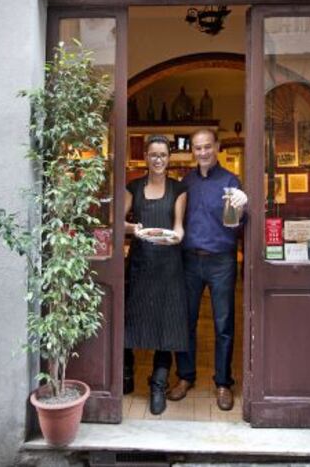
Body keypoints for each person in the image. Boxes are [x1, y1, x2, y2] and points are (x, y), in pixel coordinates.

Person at [168, 129, 247, 411]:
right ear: (193, 151)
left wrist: (242, 204)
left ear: (217, 147)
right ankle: (185, 377)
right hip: (189, 260)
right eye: (198, 148)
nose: (202, 152)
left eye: (207, 147)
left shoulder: (230, 182)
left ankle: (223, 383)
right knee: (185, 321)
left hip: (221, 261)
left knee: (223, 324)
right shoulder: (186, 182)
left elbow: (238, 223)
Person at [124, 135, 188, 415]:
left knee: (168, 325)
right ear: (146, 157)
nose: (158, 159)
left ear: (169, 158)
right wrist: (132, 230)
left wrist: (175, 237)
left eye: (163, 155)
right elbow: (118, 220)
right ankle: (126, 374)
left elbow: (178, 227)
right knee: (131, 321)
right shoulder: (134, 187)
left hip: (169, 266)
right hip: (140, 264)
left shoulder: (179, 189)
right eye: (153, 155)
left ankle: (158, 384)